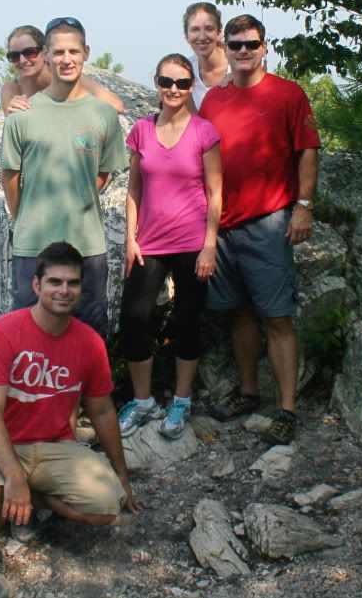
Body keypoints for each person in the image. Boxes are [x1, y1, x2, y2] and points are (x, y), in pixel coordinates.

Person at [0, 241, 140, 598]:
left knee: (108, 507)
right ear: (37, 286)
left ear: (81, 287)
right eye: (55, 282)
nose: (64, 290)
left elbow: (102, 411)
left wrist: (122, 474)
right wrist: (13, 475)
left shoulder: (89, 343)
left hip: (53, 445)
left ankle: (31, 500)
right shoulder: (5, 331)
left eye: (72, 283)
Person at [197, 14, 321, 446]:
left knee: (278, 317)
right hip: (224, 225)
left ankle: (287, 408)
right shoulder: (213, 100)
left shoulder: (288, 95)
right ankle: (249, 391)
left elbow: (307, 152)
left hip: (270, 222)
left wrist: (303, 207)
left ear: (265, 47)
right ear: (225, 50)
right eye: (235, 45)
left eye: (251, 44)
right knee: (239, 313)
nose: (243, 51)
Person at [116, 54, 222, 440]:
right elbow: (134, 188)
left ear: (191, 86)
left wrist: (210, 244)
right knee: (134, 317)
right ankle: (143, 401)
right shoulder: (142, 131)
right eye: (166, 82)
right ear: (157, 84)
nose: (173, 90)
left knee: (187, 320)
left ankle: (181, 399)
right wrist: (130, 237)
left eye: (181, 83)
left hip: (193, 241)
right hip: (150, 242)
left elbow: (215, 192)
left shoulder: (203, 132)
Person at [0, 17, 128, 338]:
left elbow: (104, 173)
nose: (66, 59)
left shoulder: (103, 115)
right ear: (46, 55)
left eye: (74, 51)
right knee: (28, 340)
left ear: (86, 52)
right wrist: (24, 216)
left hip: (87, 245)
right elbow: (10, 178)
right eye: (58, 52)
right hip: (33, 248)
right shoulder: (22, 115)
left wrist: (77, 195)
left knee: (90, 338)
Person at [0, 24, 125, 115]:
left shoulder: (66, 76)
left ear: (45, 52)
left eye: (30, 52)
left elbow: (117, 105)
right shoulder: (12, 89)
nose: (22, 60)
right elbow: (13, 124)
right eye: (14, 56)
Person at [183, 2, 230, 110]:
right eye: (195, 29)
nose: (202, 36)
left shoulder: (237, 65)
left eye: (209, 29)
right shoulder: (184, 71)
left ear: (219, 32)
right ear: (186, 35)